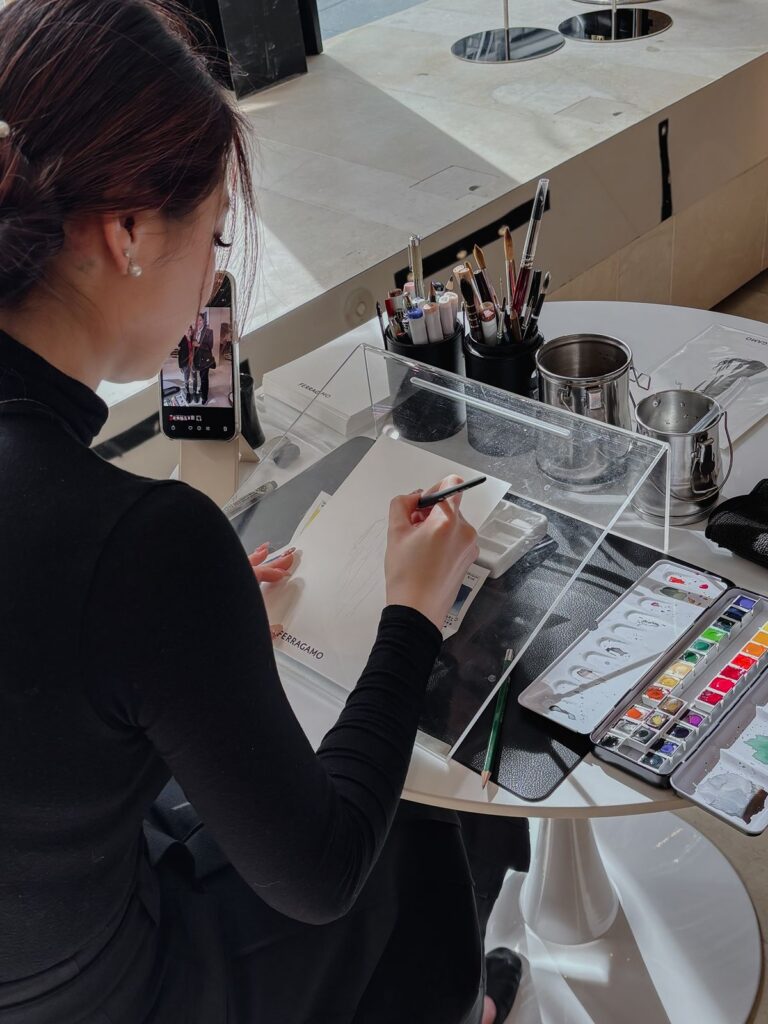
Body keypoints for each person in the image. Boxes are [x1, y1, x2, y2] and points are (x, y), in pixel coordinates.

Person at [0, 2, 522, 1022]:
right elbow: (317, 874)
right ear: (129, 233)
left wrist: (187, 634)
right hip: (118, 995)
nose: (211, 277)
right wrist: (410, 611)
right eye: (215, 236)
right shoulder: (141, 540)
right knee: (396, 809)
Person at [192, 309, 215, 404]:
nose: (198, 322)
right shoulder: (193, 331)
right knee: (195, 377)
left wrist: (198, 345)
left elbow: (210, 346)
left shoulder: (209, 332)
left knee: (204, 378)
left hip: (204, 359)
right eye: (196, 320)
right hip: (194, 358)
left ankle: (204, 397)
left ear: (203, 321)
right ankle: (198, 391)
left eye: (200, 320)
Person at [178, 323, 195, 402]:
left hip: (193, 362)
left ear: (191, 331)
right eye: (187, 330)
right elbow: (180, 354)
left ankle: (194, 391)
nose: (188, 331)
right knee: (186, 378)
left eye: (190, 330)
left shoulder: (192, 339)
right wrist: (180, 366)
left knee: (194, 376)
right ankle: (188, 392)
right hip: (185, 363)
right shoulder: (182, 340)